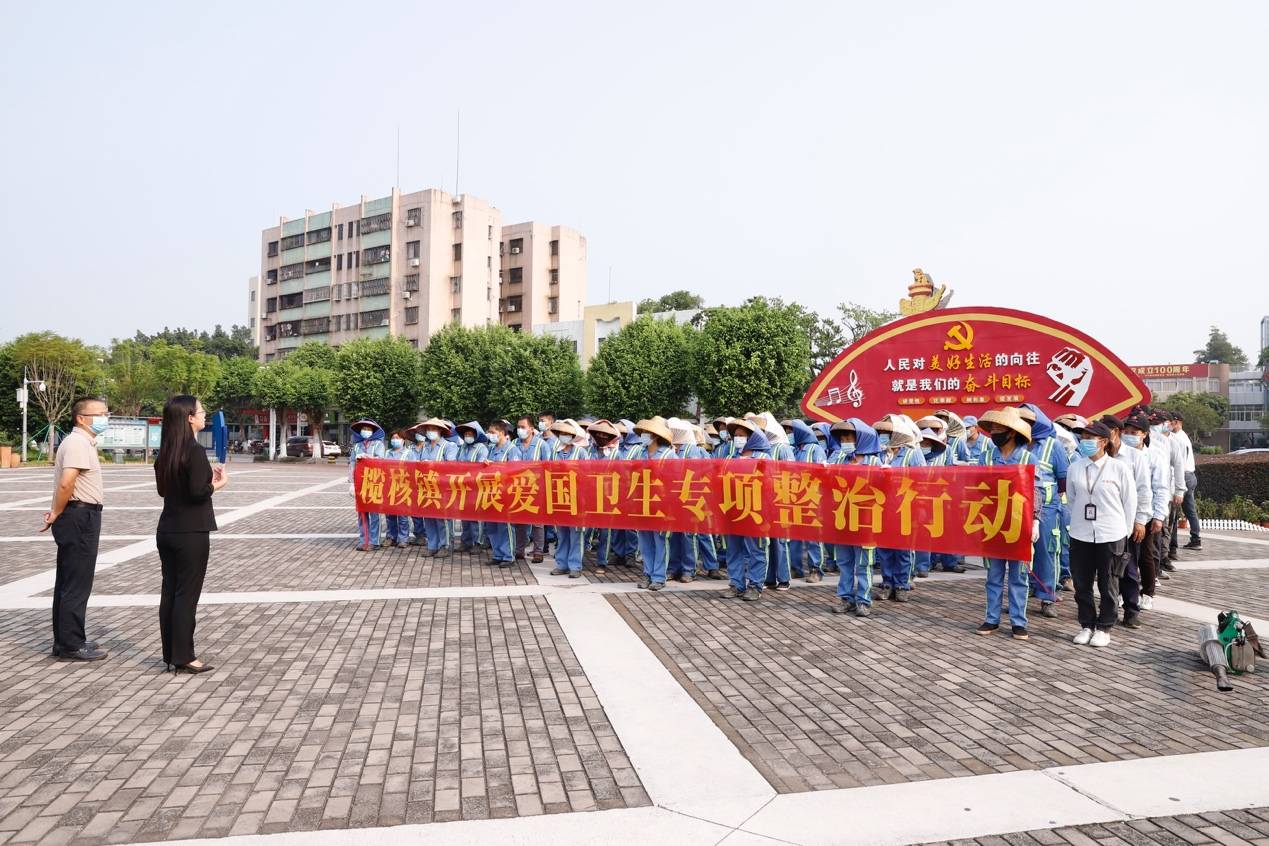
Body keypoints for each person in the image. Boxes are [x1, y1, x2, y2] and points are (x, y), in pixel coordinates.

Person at [154, 395, 228, 674]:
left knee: (170, 593)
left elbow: (166, 490)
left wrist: (205, 480)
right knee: (186, 596)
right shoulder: (194, 451)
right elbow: (198, 492)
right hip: (191, 532)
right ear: (189, 418)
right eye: (201, 411)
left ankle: (171, 654)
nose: (204, 414)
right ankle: (185, 656)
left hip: (168, 529)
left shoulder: (166, 450)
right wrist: (219, 484)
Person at [42, 396, 111, 662]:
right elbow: (66, 483)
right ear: (81, 418)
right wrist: (57, 511)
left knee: (69, 581)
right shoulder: (78, 443)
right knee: (76, 583)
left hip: (78, 515)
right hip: (79, 515)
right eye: (100, 413)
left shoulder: (80, 442)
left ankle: (66, 640)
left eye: (106, 413)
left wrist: (57, 512)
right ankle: (71, 644)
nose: (105, 417)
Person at [1066, 421, 1136, 648]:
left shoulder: (1119, 468)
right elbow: (1072, 499)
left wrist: (1124, 532)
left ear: (1104, 442)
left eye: (1090, 438)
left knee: (1108, 582)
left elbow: (1129, 502)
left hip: (1110, 534)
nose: (1085, 442)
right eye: (1083, 437)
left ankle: (1105, 627)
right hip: (1080, 534)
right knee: (1081, 583)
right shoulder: (1075, 468)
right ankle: (1087, 625)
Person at [974, 408, 1043, 641]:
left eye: (998, 429)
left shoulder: (1027, 458)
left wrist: (1035, 521)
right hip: (993, 522)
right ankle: (991, 618)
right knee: (993, 575)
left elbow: (1037, 492)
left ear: (1012, 433)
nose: (993, 433)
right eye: (992, 429)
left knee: (1018, 575)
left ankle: (1018, 621)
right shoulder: (986, 456)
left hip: (1018, 522)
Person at [1100, 414, 1152, 629]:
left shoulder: (1134, 457)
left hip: (1127, 522)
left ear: (1114, 432)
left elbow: (1144, 490)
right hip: (1102, 521)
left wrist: (1140, 521)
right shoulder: (1098, 456)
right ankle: (1107, 611)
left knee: (1128, 566)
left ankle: (1131, 610)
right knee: (1104, 569)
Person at [827, 419, 882, 618]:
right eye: (842, 438)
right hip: (843, 518)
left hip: (865, 520)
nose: (844, 441)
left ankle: (863, 600)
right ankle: (846, 598)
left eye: (848, 437)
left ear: (861, 439)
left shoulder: (875, 462)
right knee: (844, 562)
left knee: (864, 563)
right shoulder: (840, 460)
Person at [1018, 403, 1069, 619]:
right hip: (1018, 507)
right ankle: (1026, 588)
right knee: (1020, 553)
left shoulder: (1052, 445)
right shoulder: (1016, 444)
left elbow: (1064, 479)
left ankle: (1048, 596)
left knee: (1047, 552)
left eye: (1028, 422)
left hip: (1047, 509)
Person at [874, 413, 925, 601]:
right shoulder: (879, 453)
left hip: (905, 508)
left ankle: (902, 584)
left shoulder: (912, 453)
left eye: (887, 432)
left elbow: (922, 480)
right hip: (882, 508)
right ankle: (887, 583)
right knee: (885, 549)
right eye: (880, 432)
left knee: (903, 549)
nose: (883, 436)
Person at [720, 418, 770, 601]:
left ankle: (755, 585)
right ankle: (736, 584)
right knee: (734, 549)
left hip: (755, 511)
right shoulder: (730, 458)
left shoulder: (764, 458)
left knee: (756, 549)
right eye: (736, 436)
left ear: (752, 438)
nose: (738, 439)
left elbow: (770, 484)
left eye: (742, 436)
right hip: (733, 509)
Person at [1125, 413, 1168, 614]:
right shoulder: (1120, 455)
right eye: (1126, 432)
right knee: (1124, 554)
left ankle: (1148, 593)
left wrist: (1159, 516)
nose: (1129, 436)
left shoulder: (1153, 457)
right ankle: (1123, 593)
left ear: (1144, 435)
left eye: (1134, 432)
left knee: (1145, 555)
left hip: (1146, 512)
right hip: (1124, 512)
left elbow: (1160, 488)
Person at [631, 416, 677, 590]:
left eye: (646, 433)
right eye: (642, 432)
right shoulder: (639, 453)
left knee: (660, 541)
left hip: (661, 505)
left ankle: (659, 577)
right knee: (645, 541)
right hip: (642, 503)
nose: (643, 435)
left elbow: (675, 480)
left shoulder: (669, 455)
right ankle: (647, 573)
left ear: (655, 435)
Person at [547, 419, 589, 578]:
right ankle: (561, 564)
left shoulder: (581, 452)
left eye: (567, 433)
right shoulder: (554, 452)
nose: (564, 436)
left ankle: (575, 566)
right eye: (562, 433)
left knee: (576, 533)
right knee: (562, 533)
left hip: (577, 498)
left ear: (572, 435)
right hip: (558, 498)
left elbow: (586, 475)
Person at [789, 419, 827, 583]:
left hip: (812, 497)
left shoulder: (815, 449)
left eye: (791, 431)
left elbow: (821, 473)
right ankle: (796, 568)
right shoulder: (795, 450)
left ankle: (815, 569)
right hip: (795, 497)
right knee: (795, 536)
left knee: (813, 536)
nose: (789, 435)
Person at [411, 418, 455, 556]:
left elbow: (452, 466)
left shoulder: (449, 446)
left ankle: (445, 545)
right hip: (427, 487)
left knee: (443, 518)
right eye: (428, 429)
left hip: (442, 487)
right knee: (429, 517)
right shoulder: (425, 446)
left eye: (433, 429)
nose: (430, 432)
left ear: (440, 431)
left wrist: (433, 464)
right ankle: (432, 545)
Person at [483, 421, 519, 567]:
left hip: (506, 493)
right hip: (491, 492)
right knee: (491, 525)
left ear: (502, 433)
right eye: (490, 432)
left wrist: (496, 466)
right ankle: (497, 554)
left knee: (506, 526)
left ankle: (508, 556)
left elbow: (515, 471)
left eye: (493, 432)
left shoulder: (512, 449)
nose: (491, 435)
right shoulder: (491, 448)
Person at [348, 418, 386, 551]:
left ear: (373, 431)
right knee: (362, 513)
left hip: (374, 482)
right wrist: (351, 483)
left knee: (374, 513)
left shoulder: (378, 444)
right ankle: (363, 540)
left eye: (368, 429)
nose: (366, 431)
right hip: (360, 482)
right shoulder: (357, 446)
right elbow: (352, 463)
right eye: (363, 429)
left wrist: (367, 457)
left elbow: (381, 460)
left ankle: (374, 541)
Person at [454, 422, 490, 551]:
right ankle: (466, 541)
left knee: (476, 516)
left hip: (476, 486)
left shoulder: (481, 448)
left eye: (470, 434)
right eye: (465, 434)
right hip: (463, 486)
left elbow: (480, 467)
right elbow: (457, 463)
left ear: (476, 435)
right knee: (465, 515)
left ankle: (478, 542)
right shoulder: (462, 447)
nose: (467, 436)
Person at [1170, 412, 1201, 552]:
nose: (1168, 425)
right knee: (1190, 511)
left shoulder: (1177, 438)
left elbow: (1178, 463)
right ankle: (1196, 539)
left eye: (1170, 422)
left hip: (1183, 476)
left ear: (1177, 422)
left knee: (1174, 513)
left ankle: (1172, 545)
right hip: (1190, 475)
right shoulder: (1183, 436)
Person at [381, 430, 413, 548]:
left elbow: (413, 469)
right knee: (390, 515)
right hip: (389, 488)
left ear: (403, 440)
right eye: (393, 438)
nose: (395, 440)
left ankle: (403, 538)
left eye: (398, 438)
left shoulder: (409, 453)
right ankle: (391, 537)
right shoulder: (387, 452)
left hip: (403, 488)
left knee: (403, 516)